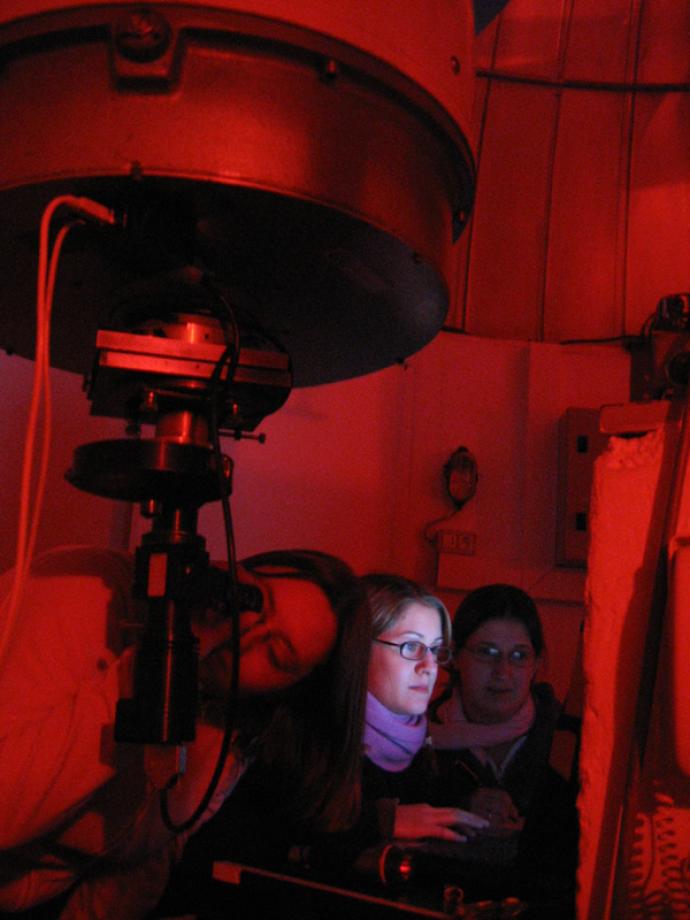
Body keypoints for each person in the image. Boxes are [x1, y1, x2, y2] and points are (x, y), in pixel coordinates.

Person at [0, 544, 370, 919]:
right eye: (256, 598)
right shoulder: (91, 587)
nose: (246, 630)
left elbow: (140, 865)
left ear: (281, 694)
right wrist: (161, 665)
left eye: (275, 654)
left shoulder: (225, 736)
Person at [429, 583, 579, 905]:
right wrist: (459, 808)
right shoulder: (417, 739)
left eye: (519, 656)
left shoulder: (563, 741)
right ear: (455, 657)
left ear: (537, 663)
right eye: (487, 652)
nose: (503, 672)